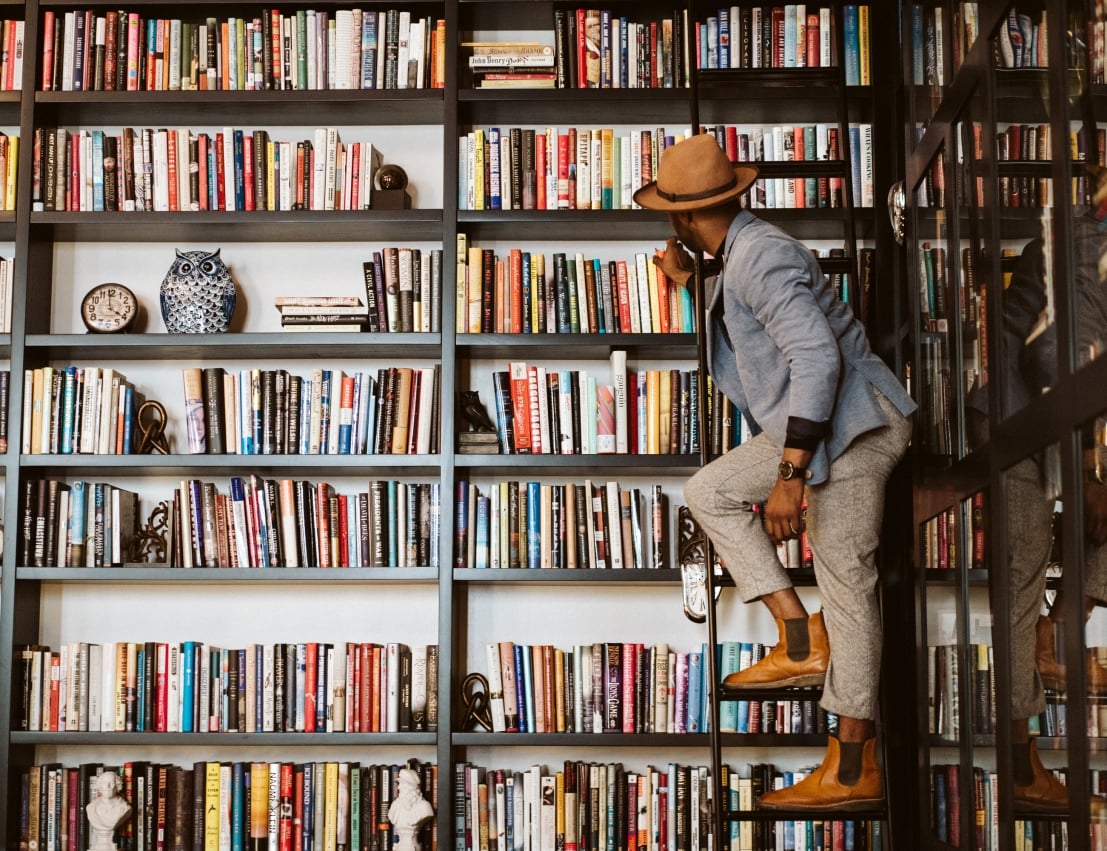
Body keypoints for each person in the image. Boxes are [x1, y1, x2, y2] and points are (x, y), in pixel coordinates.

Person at [633, 133, 916, 811]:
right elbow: (764, 317)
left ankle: (852, 767)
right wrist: (694, 276)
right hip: (821, 421)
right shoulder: (738, 255)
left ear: (683, 215)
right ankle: (796, 634)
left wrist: (791, 472)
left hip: (854, 424)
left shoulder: (757, 258)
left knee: (845, 575)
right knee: (710, 490)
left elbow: (818, 359)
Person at [388, 767, 434, 851]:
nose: (398, 788)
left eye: (402, 784)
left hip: (414, 847)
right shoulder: (395, 805)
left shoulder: (424, 807)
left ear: (411, 786)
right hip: (398, 847)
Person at [87, 770, 131, 850]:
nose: (107, 786)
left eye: (111, 782)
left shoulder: (125, 808)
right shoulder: (91, 808)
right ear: (100, 785)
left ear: (117, 786)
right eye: (104, 783)